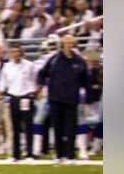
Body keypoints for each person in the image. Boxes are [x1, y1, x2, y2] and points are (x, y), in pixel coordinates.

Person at [38, 34, 89, 164]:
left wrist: (88, 95)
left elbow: (86, 79)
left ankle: (70, 155)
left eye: (72, 43)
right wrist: (41, 86)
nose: (69, 45)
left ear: (74, 45)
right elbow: (42, 73)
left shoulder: (79, 61)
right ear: (63, 44)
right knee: (57, 127)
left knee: (71, 128)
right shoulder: (54, 59)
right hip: (55, 98)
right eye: (67, 43)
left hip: (72, 99)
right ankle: (59, 154)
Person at [0, 44, 39, 161]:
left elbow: (35, 80)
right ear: (11, 53)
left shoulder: (30, 65)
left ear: (21, 52)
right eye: (13, 51)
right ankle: (16, 154)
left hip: (26, 97)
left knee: (28, 126)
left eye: (17, 51)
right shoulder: (6, 67)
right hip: (14, 98)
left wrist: (35, 92)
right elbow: (2, 83)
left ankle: (30, 153)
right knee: (14, 127)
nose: (15, 54)